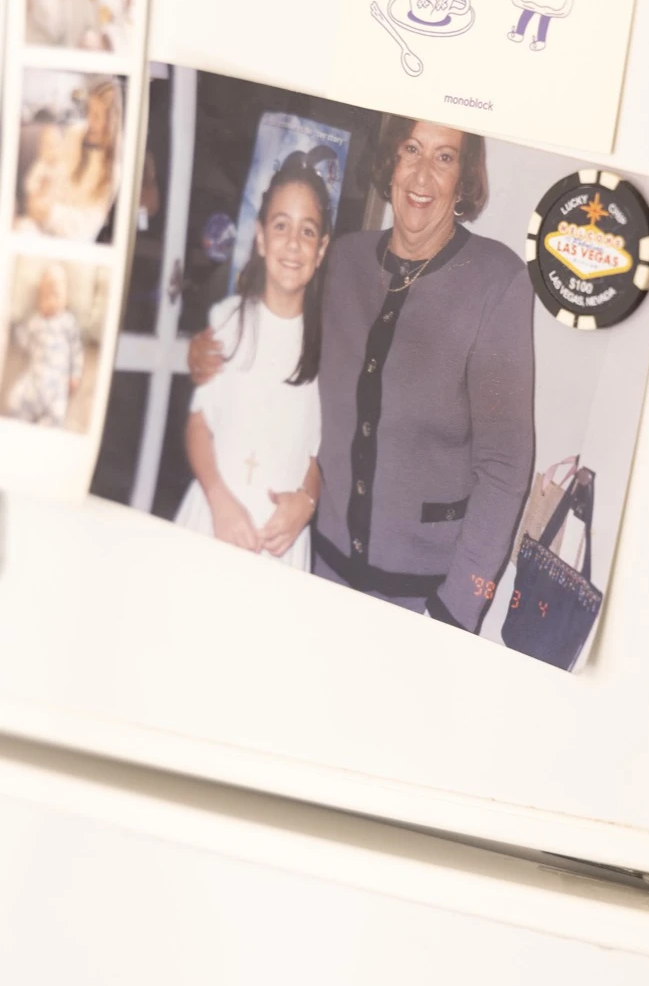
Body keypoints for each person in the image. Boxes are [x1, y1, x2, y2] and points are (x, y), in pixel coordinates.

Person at [190, 117, 535, 633]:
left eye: (444, 157)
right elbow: (273, 351)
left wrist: (458, 608)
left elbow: (505, 466)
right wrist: (207, 351)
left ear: (463, 177)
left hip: (418, 603)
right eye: (411, 150)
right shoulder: (343, 261)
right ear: (390, 160)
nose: (421, 175)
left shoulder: (497, 281)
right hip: (312, 566)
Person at [175, 152, 330, 571]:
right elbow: (198, 426)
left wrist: (307, 503)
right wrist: (220, 500)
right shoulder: (227, 321)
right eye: (280, 226)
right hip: (214, 519)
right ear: (261, 237)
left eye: (308, 231)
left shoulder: (326, 346)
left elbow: (314, 454)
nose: (293, 243)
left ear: (321, 249)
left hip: (279, 544)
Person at [18, 79, 123, 244]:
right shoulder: (75, 134)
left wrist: (49, 213)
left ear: (112, 122)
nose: (90, 121)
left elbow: (86, 228)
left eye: (97, 116)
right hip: (41, 223)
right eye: (89, 111)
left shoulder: (113, 170)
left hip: (71, 240)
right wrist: (37, 192)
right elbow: (50, 169)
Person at [5, 262, 83, 429]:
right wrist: (14, 328)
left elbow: (76, 351)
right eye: (45, 296)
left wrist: (75, 375)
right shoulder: (35, 321)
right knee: (16, 400)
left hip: (57, 385)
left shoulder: (68, 322)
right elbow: (24, 343)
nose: (50, 301)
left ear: (66, 298)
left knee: (56, 416)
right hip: (34, 379)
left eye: (56, 295)